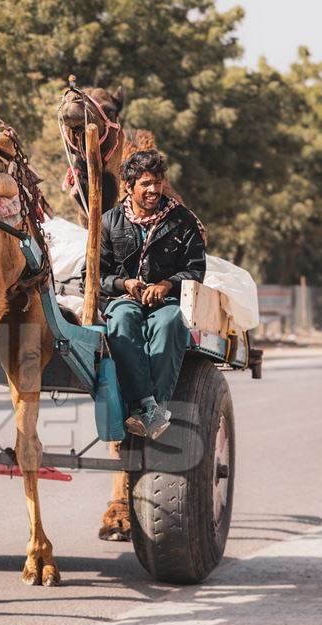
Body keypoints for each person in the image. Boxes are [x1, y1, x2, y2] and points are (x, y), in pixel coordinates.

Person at [83, 150, 206, 439]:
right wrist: (123, 284)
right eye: (146, 184)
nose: (154, 190)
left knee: (171, 321)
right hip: (123, 300)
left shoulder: (182, 220)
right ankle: (149, 406)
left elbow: (196, 269)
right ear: (129, 186)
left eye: (158, 182)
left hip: (165, 301)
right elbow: (92, 275)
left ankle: (153, 407)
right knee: (123, 321)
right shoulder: (109, 222)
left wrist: (166, 285)